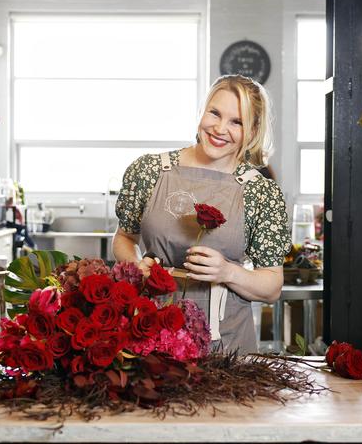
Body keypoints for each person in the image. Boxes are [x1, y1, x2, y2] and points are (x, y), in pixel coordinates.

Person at [112, 75, 292, 354]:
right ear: (202, 111)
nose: (220, 128)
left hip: (226, 345)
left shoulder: (261, 192)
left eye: (237, 121)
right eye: (215, 113)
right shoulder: (149, 171)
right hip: (149, 335)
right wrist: (135, 265)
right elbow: (124, 237)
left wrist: (228, 271)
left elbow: (272, 286)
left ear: (253, 130)